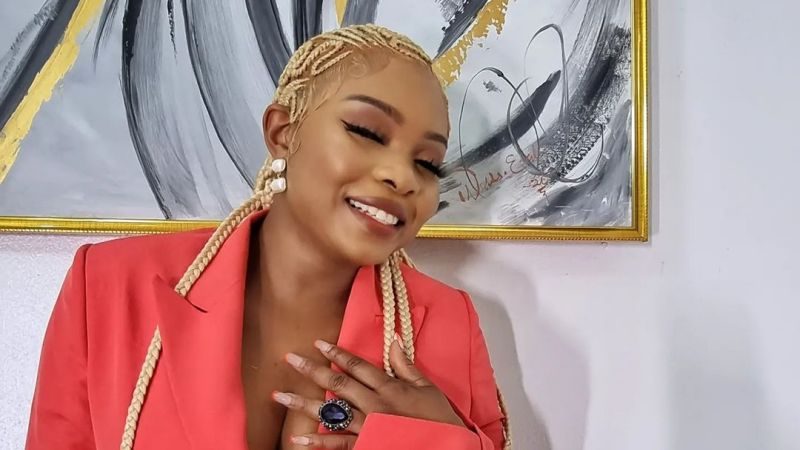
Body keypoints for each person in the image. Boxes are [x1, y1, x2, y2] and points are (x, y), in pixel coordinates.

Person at [26, 24, 510, 450]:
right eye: (366, 131)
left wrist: (438, 442)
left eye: (427, 163)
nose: (402, 177)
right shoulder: (107, 286)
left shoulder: (449, 323)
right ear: (283, 133)